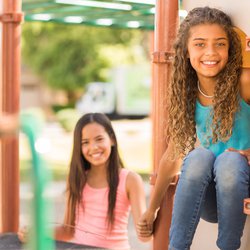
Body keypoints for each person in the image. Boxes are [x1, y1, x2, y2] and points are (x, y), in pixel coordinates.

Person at [137, 6, 250, 250]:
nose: (211, 52)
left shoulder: (244, 84)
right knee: (199, 155)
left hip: (243, 187)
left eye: (220, 44)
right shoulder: (188, 94)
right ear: (186, 51)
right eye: (199, 44)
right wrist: (151, 208)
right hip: (213, 200)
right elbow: (173, 154)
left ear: (230, 49)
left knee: (229, 162)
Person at [19, 112, 151, 249]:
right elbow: (68, 231)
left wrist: (151, 214)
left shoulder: (130, 180)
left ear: (111, 139)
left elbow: (144, 235)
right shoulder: (77, 179)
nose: (93, 147)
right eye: (85, 142)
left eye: (99, 139)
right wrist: (37, 232)